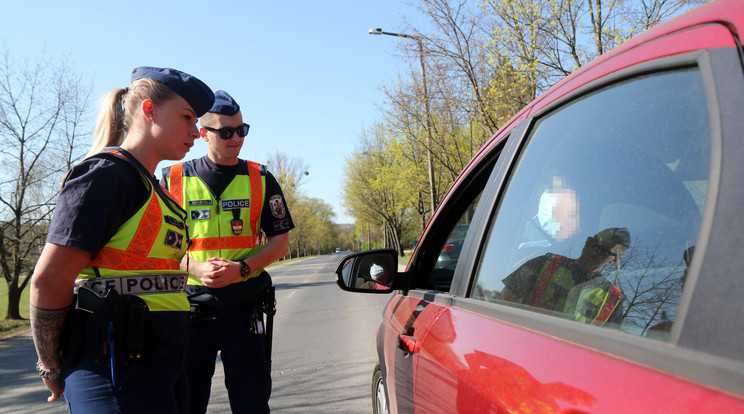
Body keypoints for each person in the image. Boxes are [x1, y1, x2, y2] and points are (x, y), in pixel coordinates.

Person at [29, 66, 214, 413]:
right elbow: (49, 279)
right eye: (187, 117)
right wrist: (50, 365)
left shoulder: (154, 189)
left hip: (163, 362)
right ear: (149, 110)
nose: (196, 131)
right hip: (114, 365)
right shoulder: (105, 175)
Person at [161, 90, 294, 414]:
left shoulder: (260, 178)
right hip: (189, 310)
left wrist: (242, 269)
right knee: (186, 404)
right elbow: (159, 249)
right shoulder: (171, 179)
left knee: (251, 403)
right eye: (226, 132)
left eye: (241, 130)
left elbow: (280, 243)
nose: (236, 138)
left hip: (245, 308)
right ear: (204, 133)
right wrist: (194, 269)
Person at [500, 227, 631, 326]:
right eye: (592, 243)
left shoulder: (613, 301)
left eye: (602, 250)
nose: (592, 250)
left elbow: (606, 349)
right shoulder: (544, 263)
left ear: (615, 260)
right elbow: (503, 303)